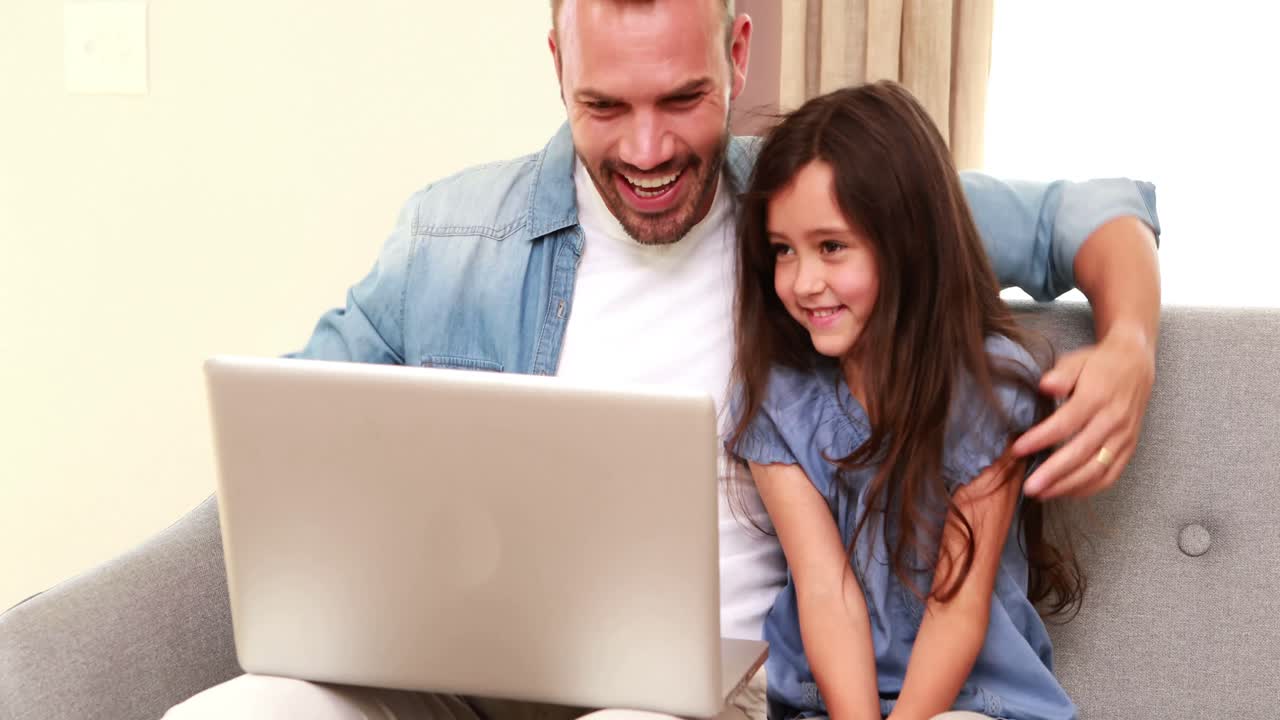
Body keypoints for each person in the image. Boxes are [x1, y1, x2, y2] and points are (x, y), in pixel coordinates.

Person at [164, 1, 1160, 718]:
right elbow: (289, 436)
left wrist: (1126, 345)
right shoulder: (450, 240)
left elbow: (1091, 210)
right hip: (457, 676)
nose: (645, 150)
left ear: (736, 50)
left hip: (692, 691)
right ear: (556, 60)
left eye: (680, 99)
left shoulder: (814, 200)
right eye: (602, 107)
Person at [727, 80, 1083, 720]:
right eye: (784, 250)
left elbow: (958, 604)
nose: (804, 282)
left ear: (908, 242)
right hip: (827, 704)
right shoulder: (777, 392)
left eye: (832, 246)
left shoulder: (989, 388)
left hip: (974, 702)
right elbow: (825, 588)